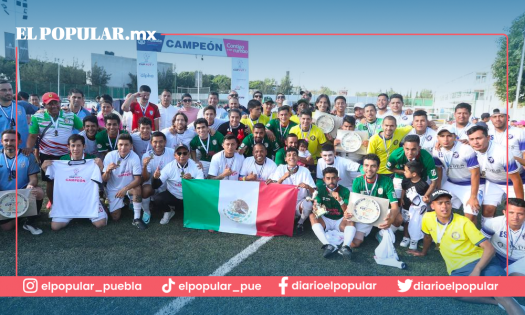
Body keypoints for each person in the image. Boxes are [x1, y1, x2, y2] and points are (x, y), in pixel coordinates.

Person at [409, 190, 525, 315]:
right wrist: (423, 252)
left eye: (447, 203)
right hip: (457, 269)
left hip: (480, 261)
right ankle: (497, 302)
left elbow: (489, 248)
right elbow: (427, 236)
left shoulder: (464, 222)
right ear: (432, 206)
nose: (444, 206)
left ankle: (503, 298)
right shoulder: (427, 218)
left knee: (502, 295)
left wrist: (477, 270)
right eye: (440, 203)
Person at [26, 92, 83, 203]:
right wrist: (29, 149)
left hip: (66, 155)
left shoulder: (70, 116)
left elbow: (83, 130)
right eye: (50, 104)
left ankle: (68, 203)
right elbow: (32, 136)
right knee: (50, 182)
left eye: (55, 103)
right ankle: (53, 204)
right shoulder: (37, 117)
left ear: (60, 102)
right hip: (47, 155)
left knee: (68, 180)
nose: (53, 106)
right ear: (44, 105)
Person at [44, 134, 105, 230]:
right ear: (68, 147)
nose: (76, 148)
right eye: (73, 145)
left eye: (79, 145)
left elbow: (100, 180)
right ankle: (70, 213)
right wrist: (45, 169)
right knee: (55, 227)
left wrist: (101, 168)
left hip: (88, 200)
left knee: (101, 224)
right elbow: (54, 178)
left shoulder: (92, 160)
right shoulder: (62, 160)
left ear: (84, 146)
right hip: (67, 202)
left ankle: (100, 205)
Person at [467, 125, 524, 223]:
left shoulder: (502, 153)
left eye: (479, 138)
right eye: (472, 139)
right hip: (493, 182)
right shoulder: (470, 149)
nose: (475, 142)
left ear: (488, 138)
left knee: (517, 211)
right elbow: (451, 143)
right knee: (488, 210)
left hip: (512, 182)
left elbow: (516, 180)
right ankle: (486, 234)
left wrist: (521, 203)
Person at [433, 125, 483, 224]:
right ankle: (446, 233)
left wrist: (473, 196)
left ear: (455, 137)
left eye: (449, 136)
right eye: (442, 136)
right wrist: (438, 188)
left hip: (470, 184)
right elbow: (439, 170)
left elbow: (476, 173)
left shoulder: (466, 149)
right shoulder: (436, 149)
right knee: (438, 208)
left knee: (470, 216)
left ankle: (470, 238)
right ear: (438, 138)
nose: (445, 139)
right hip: (451, 182)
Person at [351, 154, 402, 247]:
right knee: (355, 243)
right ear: (363, 166)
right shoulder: (357, 181)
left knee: (398, 219)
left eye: (373, 166)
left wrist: (390, 220)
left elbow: (395, 206)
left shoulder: (386, 181)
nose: (369, 169)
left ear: (378, 167)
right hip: (364, 213)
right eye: (366, 165)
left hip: (381, 212)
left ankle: (381, 233)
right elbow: (354, 204)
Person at [0, 130, 43, 235]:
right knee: (7, 227)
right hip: (3, 195)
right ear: (1, 141)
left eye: (13, 140)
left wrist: (31, 185)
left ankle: (30, 222)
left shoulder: (28, 156)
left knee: (39, 192)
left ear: (19, 141)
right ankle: (21, 214)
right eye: (6, 140)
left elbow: (33, 178)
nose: (9, 143)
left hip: (22, 193)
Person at [151, 143, 204, 224]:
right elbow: (155, 186)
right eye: (179, 153)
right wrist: (155, 178)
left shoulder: (196, 166)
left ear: (188, 154)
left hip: (189, 197)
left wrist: (192, 180)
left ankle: (194, 211)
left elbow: (201, 186)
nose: (181, 155)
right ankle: (168, 211)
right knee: (157, 199)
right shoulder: (169, 167)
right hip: (174, 196)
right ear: (174, 155)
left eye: (184, 153)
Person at [102, 133, 146, 229]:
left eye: (126, 145)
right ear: (117, 145)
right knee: (115, 217)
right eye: (120, 144)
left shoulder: (134, 157)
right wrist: (108, 170)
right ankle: (125, 202)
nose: (123, 147)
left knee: (137, 188)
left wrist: (125, 189)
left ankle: (137, 218)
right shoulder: (110, 156)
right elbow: (104, 179)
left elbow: (138, 180)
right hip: (114, 188)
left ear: (131, 146)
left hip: (129, 187)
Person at [311, 167, 356, 259]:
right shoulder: (320, 190)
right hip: (326, 219)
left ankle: (345, 247)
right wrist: (316, 207)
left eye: (333, 178)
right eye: (328, 178)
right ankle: (328, 245)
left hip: (340, 220)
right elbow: (318, 207)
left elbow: (347, 211)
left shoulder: (345, 191)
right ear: (324, 179)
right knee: (312, 216)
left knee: (351, 217)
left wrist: (340, 200)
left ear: (338, 178)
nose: (331, 181)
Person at [269, 147, 316, 235]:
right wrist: (282, 178)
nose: (292, 157)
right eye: (289, 155)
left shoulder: (304, 170)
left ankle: (300, 223)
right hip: (283, 203)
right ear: (285, 159)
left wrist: (307, 186)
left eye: (294, 155)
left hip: (299, 203)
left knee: (308, 204)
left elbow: (314, 191)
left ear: (298, 158)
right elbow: (274, 189)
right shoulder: (280, 168)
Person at [482, 197, 525, 276]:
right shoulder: (492, 223)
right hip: (496, 255)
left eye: (520, 214)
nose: (515, 217)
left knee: (516, 278)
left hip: (521, 259)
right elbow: (481, 243)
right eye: (511, 213)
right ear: (504, 212)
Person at [386, 134, 438, 200]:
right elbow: (389, 168)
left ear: (419, 148)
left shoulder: (427, 158)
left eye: (413, 149)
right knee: (396, 200)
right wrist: (404, 172)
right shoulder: (396, 154)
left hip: (421, 180)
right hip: (400, 178)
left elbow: (434, 181)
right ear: (403, 147)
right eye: (407, 149)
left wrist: (426, 196)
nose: (410, 153)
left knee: (420, 202)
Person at [141, 131, 175, 224]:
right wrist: (144, 166)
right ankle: (147, 212)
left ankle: (168, 209)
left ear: (165, 142)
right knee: (145, 189)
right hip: (153, 184)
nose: (158, 144)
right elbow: (145, 178)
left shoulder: (172, 153)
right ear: (151, 143)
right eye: (155, 142)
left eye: (161, 142)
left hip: (168, 185)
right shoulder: (146, 155)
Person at [399, 160, 429, 250]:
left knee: (416, 223)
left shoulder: (423, 185)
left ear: (414, 174)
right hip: (406, 206)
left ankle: (414, 239)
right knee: (406, 222)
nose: (404, 172)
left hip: (417, 210)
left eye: (406, 171)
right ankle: (406, 237)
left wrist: (427, 200)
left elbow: (425, 198)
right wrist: (401, 198)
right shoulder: (405, 181)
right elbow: (404, 190)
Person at [0, 80, 30, 152]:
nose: (8, 92)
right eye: (4, 90)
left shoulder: (22, 105)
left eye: (10, 89)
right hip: (3, 152)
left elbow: (44, 110)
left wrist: (41, 111)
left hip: (23, 151)